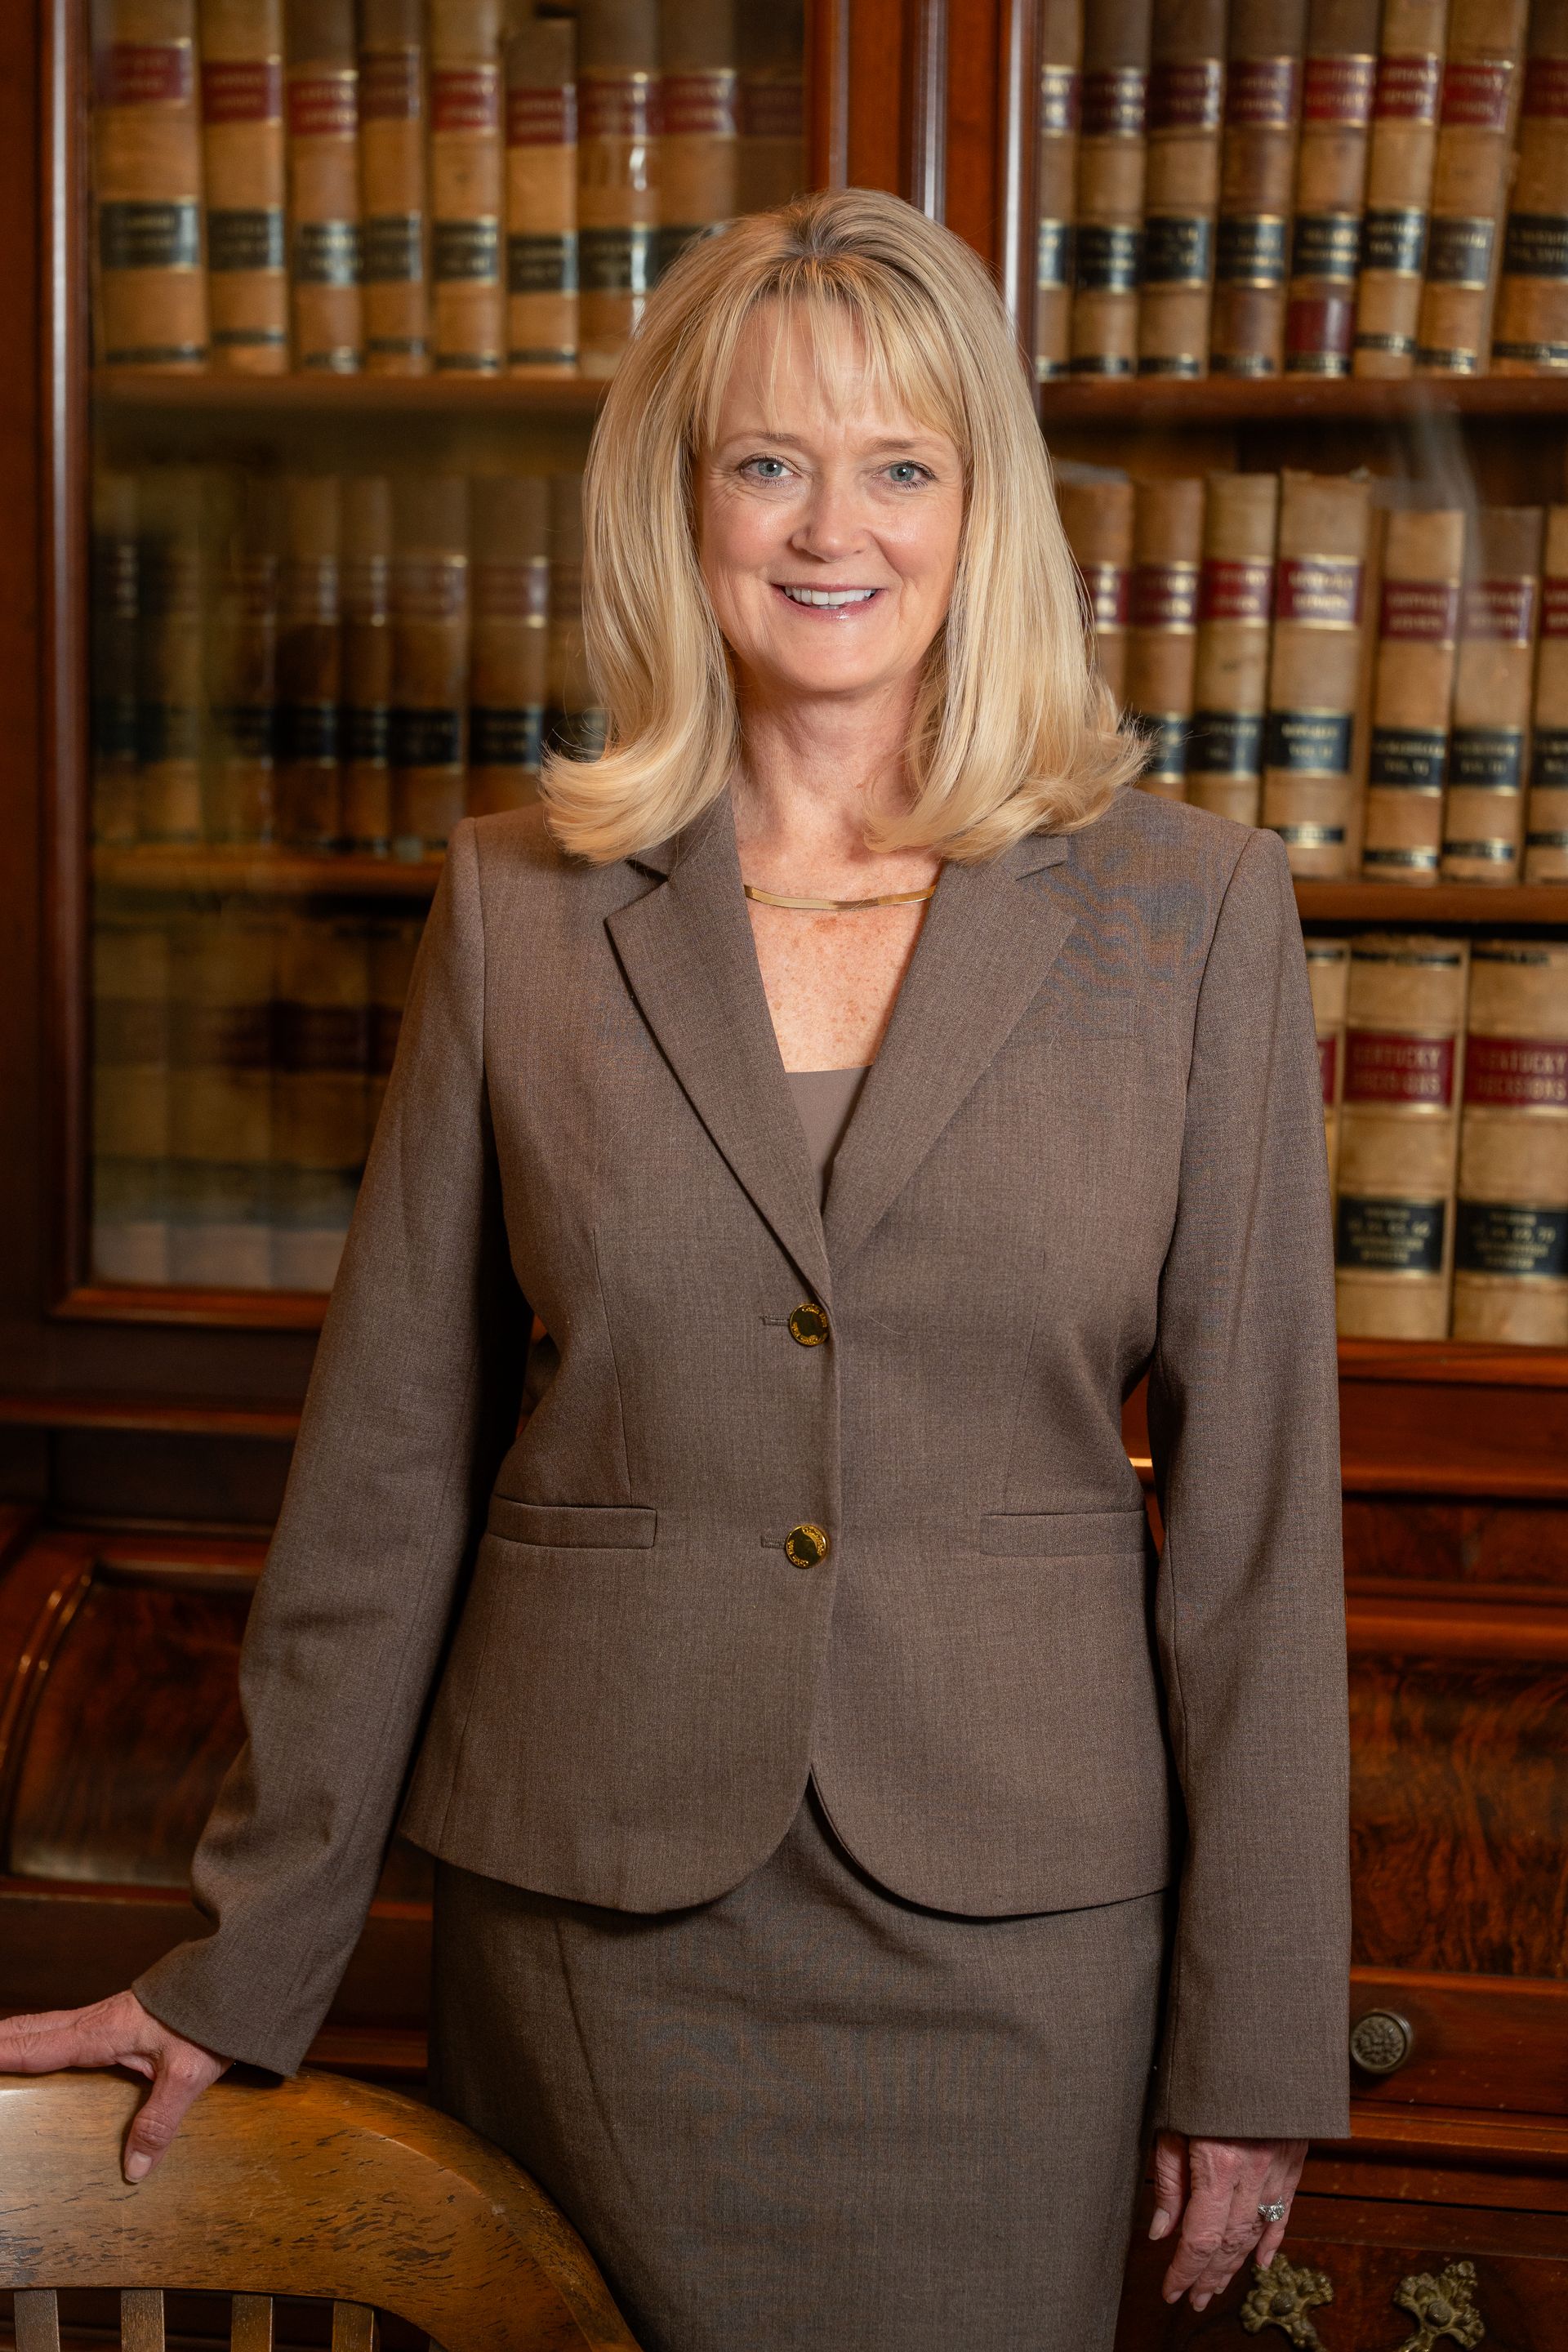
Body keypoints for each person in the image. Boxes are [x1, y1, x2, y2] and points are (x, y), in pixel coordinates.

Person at [0, 189, 1350, 2351]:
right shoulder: (525, 903)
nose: (839, 526)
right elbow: (389, 1471)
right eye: (770, 461)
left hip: (1016, 1950)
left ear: (981, 506)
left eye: (903, 464)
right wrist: (245, 1959)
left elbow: (1265, 1528)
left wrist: (1255, 2043)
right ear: (683, 501)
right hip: (596, 1929)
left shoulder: (1194, 918)